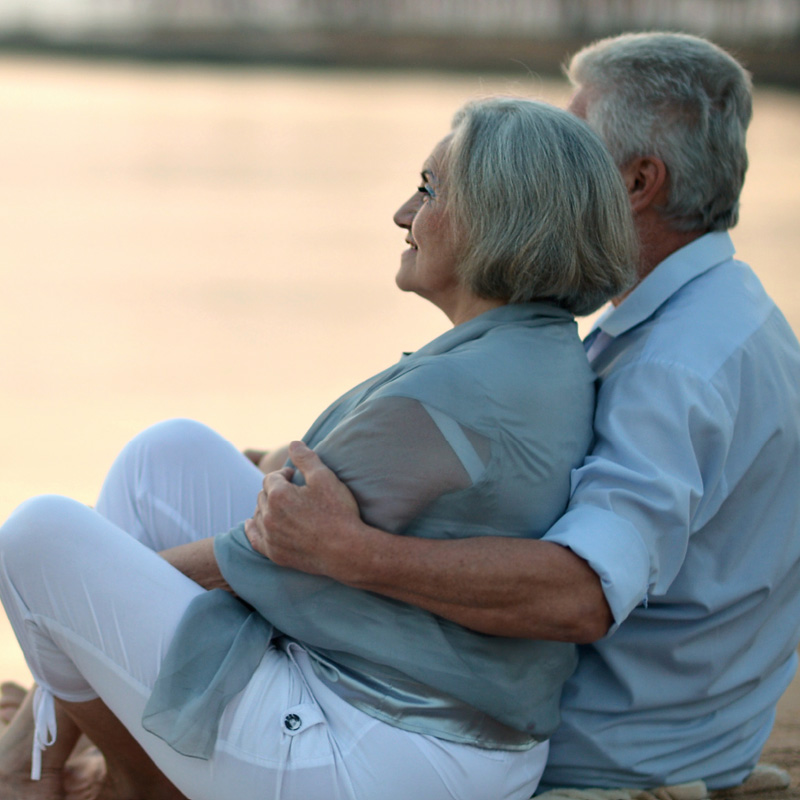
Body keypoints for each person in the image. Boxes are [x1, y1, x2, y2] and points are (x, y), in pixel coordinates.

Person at [0, 97, 637, 800]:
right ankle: (47, 757)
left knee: (38, 540)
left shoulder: (454, 392)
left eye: (428, 192)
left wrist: (69, 608)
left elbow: (239, 561)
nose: (402, 213)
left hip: (390, 755)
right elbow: (302, 484)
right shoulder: (531, 352)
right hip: (457, 736)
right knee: (166, 457)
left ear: (496, 218)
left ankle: (121, 781)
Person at [244, 31, 800, 795]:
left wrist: (349, 550)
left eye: (575, 139)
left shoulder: (675, 367)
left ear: (638, 182)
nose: (543, 161)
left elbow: (581, 591)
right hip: (680, 732)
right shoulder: (727, 314)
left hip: (599, 751)